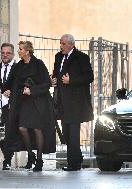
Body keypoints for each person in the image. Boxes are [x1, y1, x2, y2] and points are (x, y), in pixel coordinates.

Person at [5, 41, 56, 171]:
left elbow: (46, 83)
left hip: (38, 102)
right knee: (22, 128)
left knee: (37, 129)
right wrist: (8, 90)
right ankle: (30, 154)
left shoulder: (38, 64)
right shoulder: (18, 66)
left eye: (21, 49)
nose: (19, 51)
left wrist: (32, 90)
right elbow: (11, 81)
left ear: (27, 51)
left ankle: (39, 160)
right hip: (23, 102)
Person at [51, 34, 94, 171]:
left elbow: (89, 77)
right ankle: (77, 159)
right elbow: (56, 73)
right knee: (66, 133)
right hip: (62, 101)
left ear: (71, 44)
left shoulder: (81, 57)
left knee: (73, 133)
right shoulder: (58, 57)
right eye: (60, 43)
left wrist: (72, 80)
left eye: (63, 43)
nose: (61, 46)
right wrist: (54, 79)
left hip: (76, 102)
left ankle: (73, 164)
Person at [0, 43, 16, 170]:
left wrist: (12, 91)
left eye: (8, 53)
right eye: (3, 53)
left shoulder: (18, 68)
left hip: (12, 105)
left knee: (10, 132)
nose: (5, 55)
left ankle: (8, 160)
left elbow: (22, 84)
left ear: (13, 54)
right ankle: (7, 156)